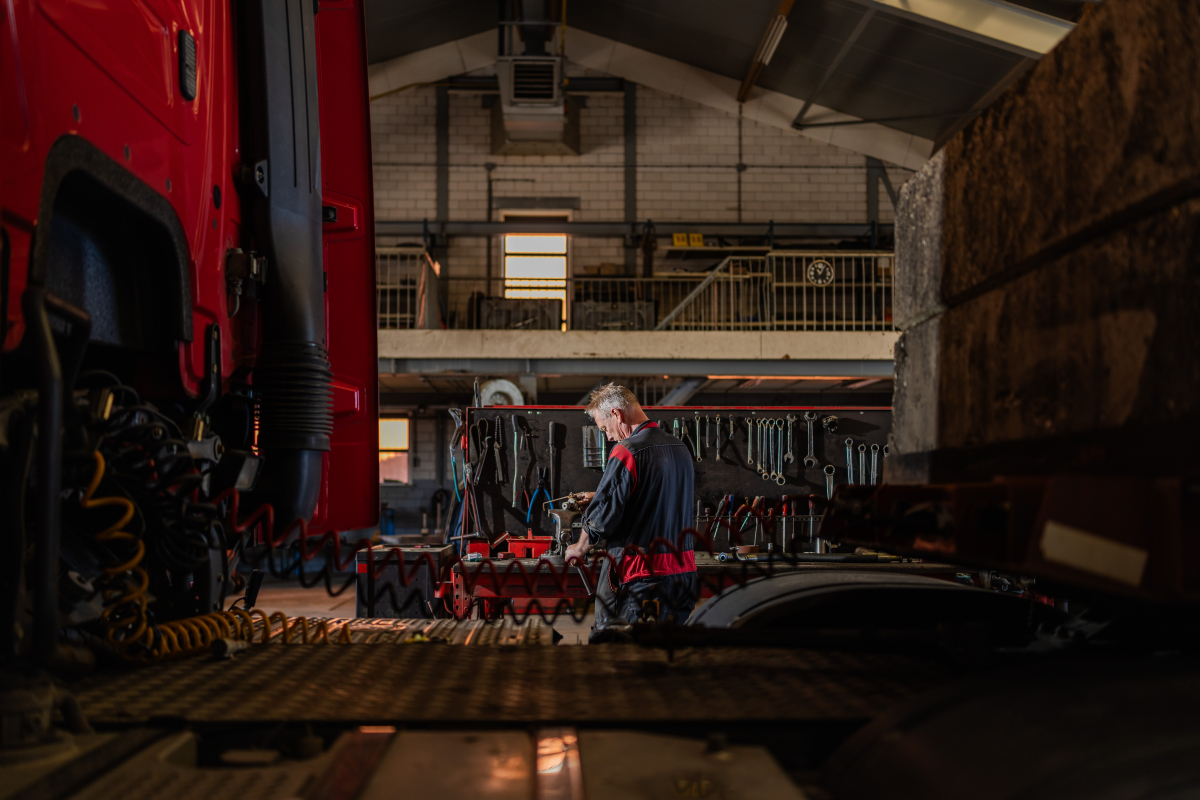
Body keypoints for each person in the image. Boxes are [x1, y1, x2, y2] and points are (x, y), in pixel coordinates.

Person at [565, 384, 698, 630]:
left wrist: (579, 547)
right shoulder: (680, 448)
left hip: (643, 580)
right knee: (663, 657)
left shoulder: (627, 451)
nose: (609, 437)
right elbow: (656, 496)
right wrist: (602, 494)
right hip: (682, 577)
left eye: (605, 428)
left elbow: (602, 516)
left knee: (622, 655)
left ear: (616, 414)